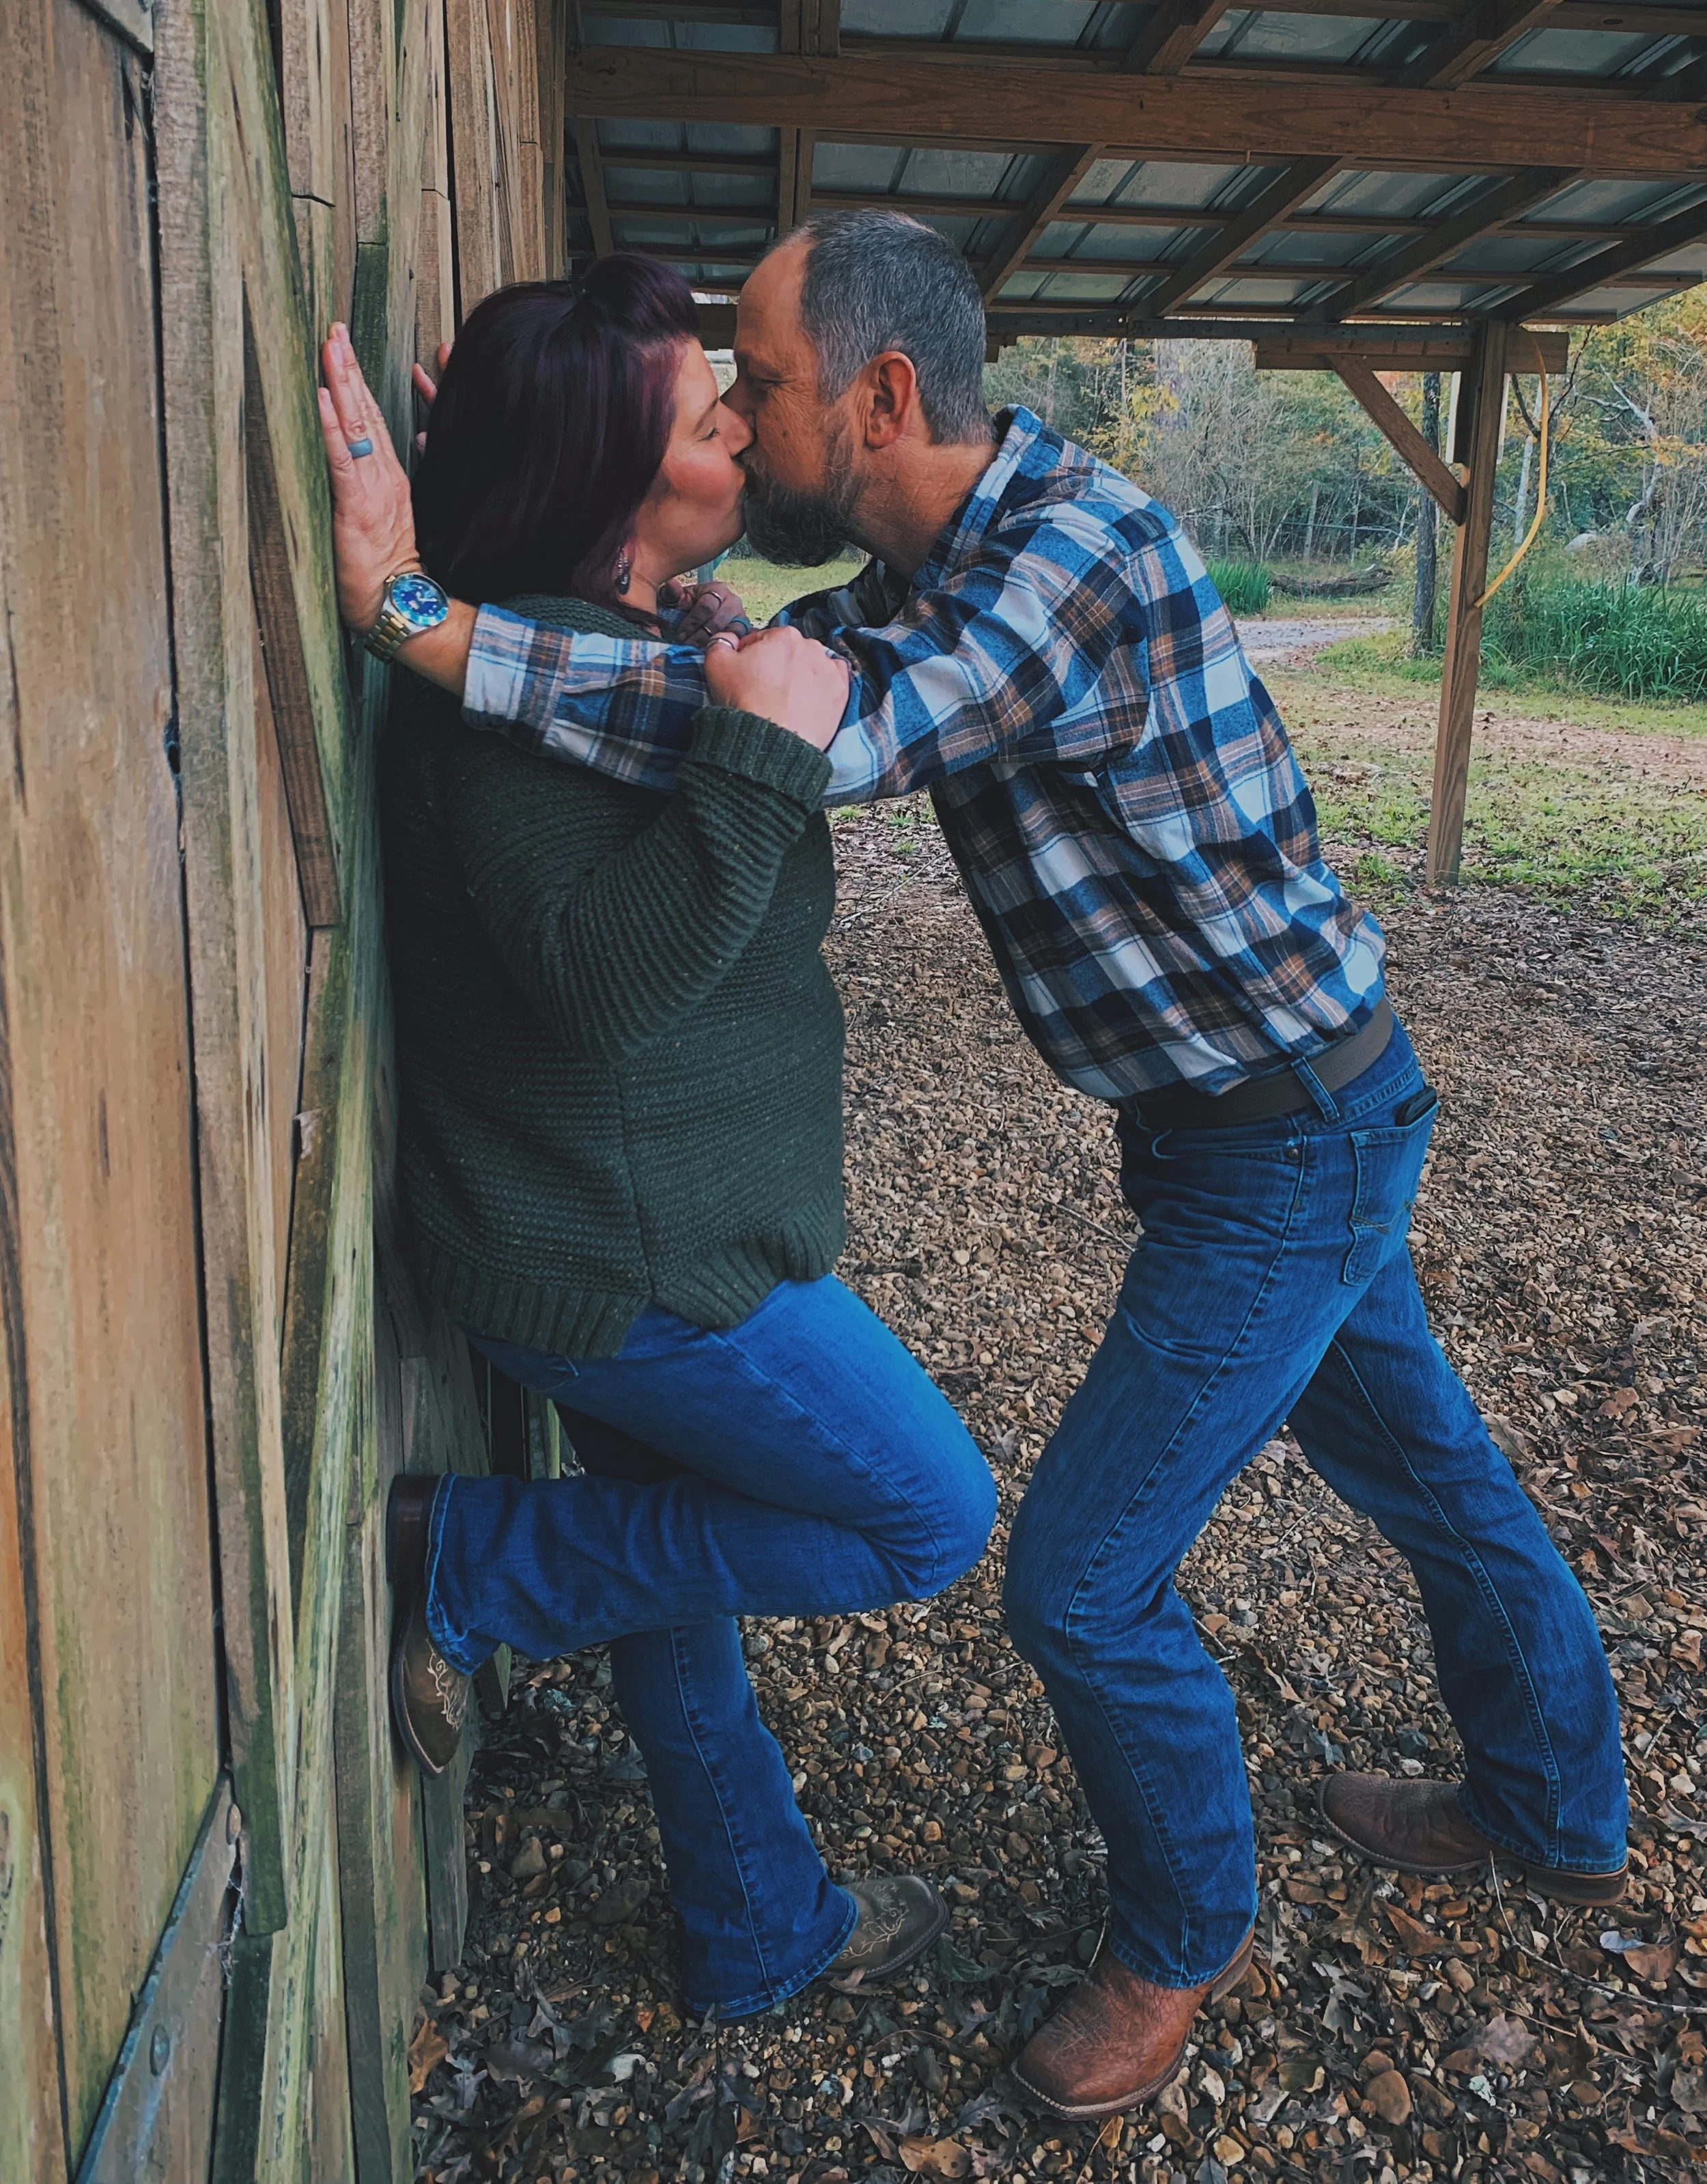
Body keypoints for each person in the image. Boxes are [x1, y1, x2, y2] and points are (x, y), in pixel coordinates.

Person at [319, 211, 1627, 2117]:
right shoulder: (931, 564)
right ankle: (1553, 1804)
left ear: (882, 395)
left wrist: (420, 616)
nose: (744, 419)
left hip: (1292, 1136)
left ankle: (1178, 1941)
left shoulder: (1060, 564)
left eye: (754, 383)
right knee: (1420, 1462)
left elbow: (812, 733)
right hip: (1254, 1123)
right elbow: (736, 679)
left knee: (1080, 1580)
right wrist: (558, 484)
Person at [348, 257, 997, 2024]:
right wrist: (761, 772)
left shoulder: (591, 647)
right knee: (929, 1513)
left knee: (681, 1558)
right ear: (618, 490)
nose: (743, 425)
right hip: (630, 1268)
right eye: (706, 416)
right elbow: (596, 984)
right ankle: (473, 1562)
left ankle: (756, 1920)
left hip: (624, 1232)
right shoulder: (501, 718)